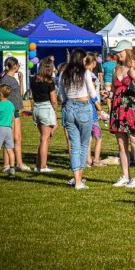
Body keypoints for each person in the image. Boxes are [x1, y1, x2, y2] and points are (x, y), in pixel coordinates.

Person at [109, 40, 135, 188]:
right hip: (118, 107)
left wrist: (134, 76)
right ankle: (125, 176)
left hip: (132, 108)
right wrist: (108, 94)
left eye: (120, 51)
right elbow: (114, 90)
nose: (117, 54)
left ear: (127, 50)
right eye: (116, 52)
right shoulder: (117, 69)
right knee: (121, 143)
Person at [57, 49, 98, 190]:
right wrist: (99, 104)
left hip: (69, 107)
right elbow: (92, 92)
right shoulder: (85, 73)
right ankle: (79, 179)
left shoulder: (64, 73)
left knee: (74, 146)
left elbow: (61, 93)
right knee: (84, 145)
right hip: (83, 107)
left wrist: (65, 101)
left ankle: (77, 180)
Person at [0, 57, 28, 171]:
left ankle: (19, 163)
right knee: (9, 137)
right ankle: (6, 164)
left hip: (15, 110)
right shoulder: (5, 79)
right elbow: (2, 96)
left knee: (18, 137)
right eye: (18, 65)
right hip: (9, 111)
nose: (19, 67)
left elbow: (20, 94)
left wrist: (21, 81)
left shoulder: (13, 79)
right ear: (14, 66)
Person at [31, 59, 58, 173]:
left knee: (43, 138)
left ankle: (38, 165)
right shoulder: (49, 81)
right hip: (46, 108)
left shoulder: (33, 80)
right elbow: (54, 100)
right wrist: (55, 112)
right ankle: (43, 166)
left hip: (36, 108)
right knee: (45, 139)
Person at [0, 84, 16, 177]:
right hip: (8, 129)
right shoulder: (11, 105)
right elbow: (13, 118)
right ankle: (12, 169)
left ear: (0, 94)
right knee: (10, 150)